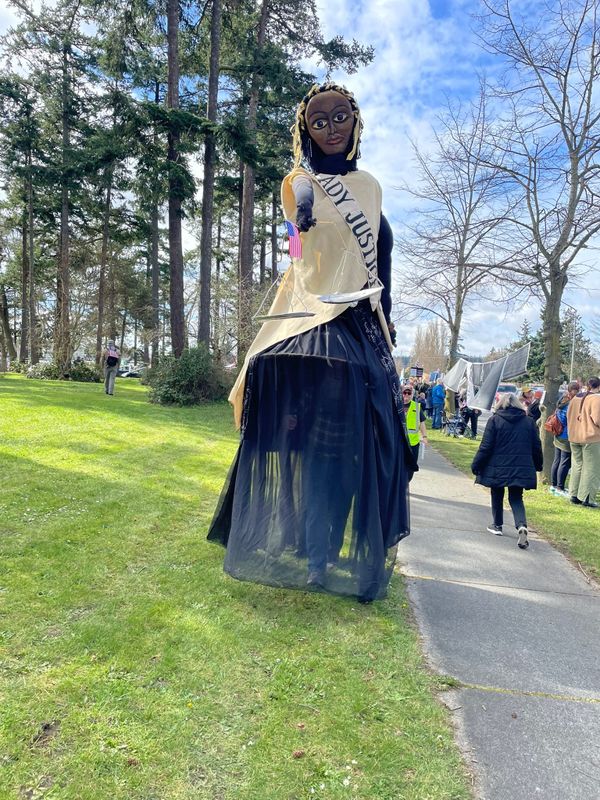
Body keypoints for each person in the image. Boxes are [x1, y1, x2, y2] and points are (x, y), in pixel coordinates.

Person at [208, 82, 416, 603]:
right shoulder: (300, 182)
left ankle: (329, 547)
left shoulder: (369, 190)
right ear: (306, 128)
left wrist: (385, 333)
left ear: (356, 123)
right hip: (312, 316)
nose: (330, 128)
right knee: (298, 439)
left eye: (340, 116)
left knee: (367, 443)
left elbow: (381, 270)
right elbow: (297, 240)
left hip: (361, 323)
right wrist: (298, 219)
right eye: (318, 121)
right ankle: (300, 544)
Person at [471, 393, 543, 549]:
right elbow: (536, 447)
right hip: (520, 466)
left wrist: (476, 465)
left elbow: (486, 447)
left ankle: (497, 525)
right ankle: (521, 525)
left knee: (497, 493)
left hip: (498, 467)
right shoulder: (529, 422)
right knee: (516, 497)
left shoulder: (495, 421)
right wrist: (538, 466)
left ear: (500, 405)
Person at [566, 377, 600, 508]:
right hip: (591, 437)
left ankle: (574, 494)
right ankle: (587, 497)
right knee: (591, 468)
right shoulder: (596, 398)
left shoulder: (575, 398)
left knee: (577, 465)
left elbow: (569, 416)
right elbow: (597, 419)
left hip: (574, 436)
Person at [549, 381, 579, 497]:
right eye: (577, 390)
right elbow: (571, 419)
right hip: (567, 435)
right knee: (565, 462)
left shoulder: (562, 400)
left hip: (558, 433)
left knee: (557, 460)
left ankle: (553, 484)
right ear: (573, 391)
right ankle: (560, 487)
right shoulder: (571, 403)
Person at [402, 384, 428, 465]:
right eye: (404, 392)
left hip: (413, 442)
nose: (406, 395)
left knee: (411, 465)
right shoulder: (396, 405)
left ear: (412, 394)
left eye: (409, 393)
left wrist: (424, 437)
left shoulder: (416, 406)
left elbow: (422, 423)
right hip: (399, 441)